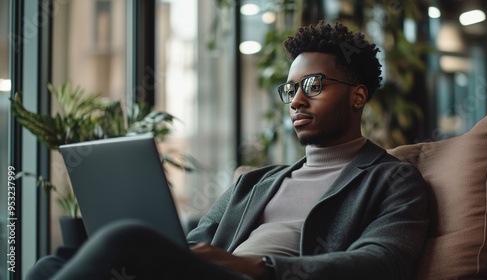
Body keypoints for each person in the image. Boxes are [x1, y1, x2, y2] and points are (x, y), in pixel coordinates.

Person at [27, 21, 428, 280]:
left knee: (127, 236)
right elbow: (193, 243)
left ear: (358, 96)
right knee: (53, 262)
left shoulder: (392, 178)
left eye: (313, 86)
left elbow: (382, 261)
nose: (295, 101)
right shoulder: (255, 182)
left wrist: (259, 266)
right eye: (290, 89)